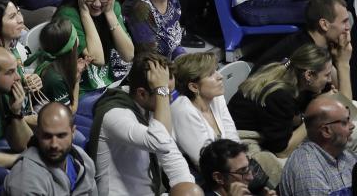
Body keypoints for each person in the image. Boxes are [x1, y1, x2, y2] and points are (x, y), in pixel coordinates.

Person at [89, 52, 194, 195]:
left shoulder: (147, 105)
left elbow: (170, 152)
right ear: (142, 94)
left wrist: (186, 186)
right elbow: (160, 142)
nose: (168, 100)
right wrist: (160, 90)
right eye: (165, 93)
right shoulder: (115, 114)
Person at [227, 44, 332, 158]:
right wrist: (313, 116)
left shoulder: (293, 75)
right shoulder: (280, 96)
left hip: (265, 132)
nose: (330, 80)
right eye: (327, 75)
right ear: (309, 75)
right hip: (243, 137)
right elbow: (282, 151)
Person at [53, 0, 134, 97]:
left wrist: (109, 14)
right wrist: (84, 12)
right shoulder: (68, 16)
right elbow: (97, 59)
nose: (97, 4)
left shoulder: (112, 8)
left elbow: (128, 55)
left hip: (108, 86)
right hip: (80, 91)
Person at [3, 102, 99, 195]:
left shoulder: (82, 159)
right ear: (37, 133)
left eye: (61, 135)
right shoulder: (25, 180)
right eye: (47, 136)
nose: (54, 144)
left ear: (73, 132)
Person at [27, 19, 96, 139]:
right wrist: (77, 78)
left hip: (55, 111)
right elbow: (71, 110)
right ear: (71, 46)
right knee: (88, 135)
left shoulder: (56, 62)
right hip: (45, 124)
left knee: (95, 122)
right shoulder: (55, 78)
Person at [171, 52, 240, 167]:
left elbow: (231, 134)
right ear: (194, 87)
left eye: (216, 70)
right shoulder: (182, 110)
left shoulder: (216, 97)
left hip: (226, 165)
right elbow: (203, 162)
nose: (220, 76)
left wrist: (241, 161)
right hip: (199, 175)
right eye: (211, 74)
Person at [279, 95, 357, 195]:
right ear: (326, 131)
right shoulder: (307, 168)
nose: (352, 126)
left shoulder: (348, 156)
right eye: (345, 122)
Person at [253, 0, 351, 70]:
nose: (348, 27)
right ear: (324, 25)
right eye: (344, 22)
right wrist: (343, 64)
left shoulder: (315, 44)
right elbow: (344, 96)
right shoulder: (306, 56)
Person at [198, 139, 270, 196]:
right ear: (219, 177)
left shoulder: (255, 191)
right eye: (243, 171)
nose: (251, 177)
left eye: (249, 167)